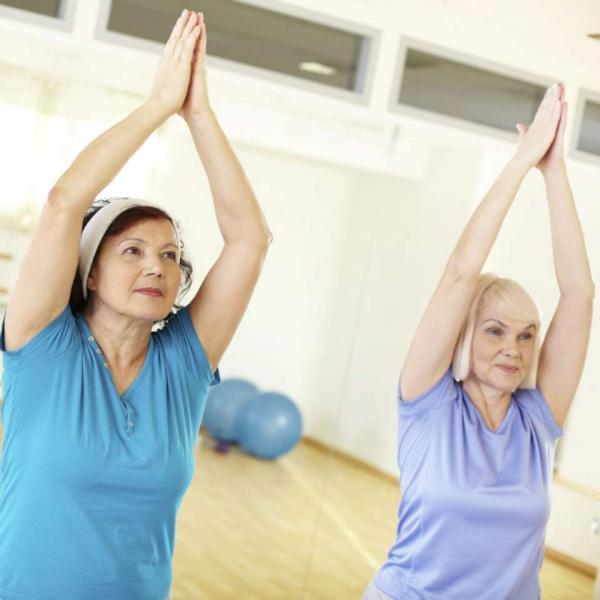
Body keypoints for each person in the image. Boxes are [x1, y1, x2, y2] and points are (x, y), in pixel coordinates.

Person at [0, 9, 271, 600]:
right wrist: (158, 106)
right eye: (133, 250)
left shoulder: (183, 365)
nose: (156, 264)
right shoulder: (43, 346)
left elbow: (250, 240)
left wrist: (198, 114)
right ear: (90, 273)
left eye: (171, 255)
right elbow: (64, 201)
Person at [363, 83, 595, 599]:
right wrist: (520, 164)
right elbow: (459, 275)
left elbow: (579, 294)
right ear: (466, 335)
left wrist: (555, 171)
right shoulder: (428, 403)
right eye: (495, 331)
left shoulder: (537, 420)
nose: (514, 348)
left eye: (527, 335)